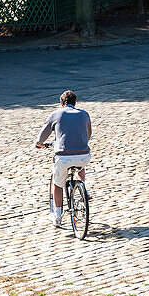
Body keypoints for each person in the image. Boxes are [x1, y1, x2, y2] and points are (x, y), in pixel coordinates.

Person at [35, 90, 92, 228]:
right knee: (80, 164)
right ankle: (82, 186)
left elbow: (43, 135)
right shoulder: (84, 114)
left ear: (61, 103)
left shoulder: (55, 114)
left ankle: (58, 216)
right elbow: (88, 134)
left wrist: (39, 143)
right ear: (75, 103)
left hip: (63, 157)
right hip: (84, 155)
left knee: (57, 183)